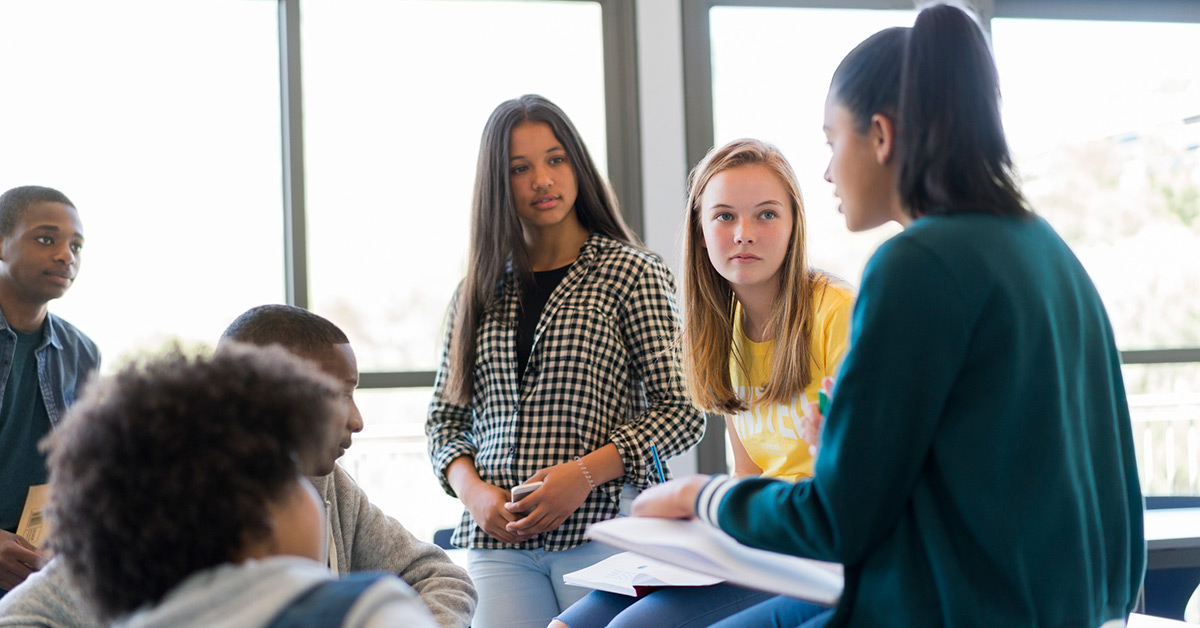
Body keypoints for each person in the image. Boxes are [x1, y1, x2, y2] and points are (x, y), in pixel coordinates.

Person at [630, 5, 1144, 628]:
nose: (825, 171)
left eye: (830, 140)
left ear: (880, 135)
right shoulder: (1044, 247)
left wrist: (703, 495)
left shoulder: (917, 264)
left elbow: (837, 522)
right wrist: (844, 452)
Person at [0, 305, 477, 628]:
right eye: (339, 394)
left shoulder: (332, 486)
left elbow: (441, 576)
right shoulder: (368, 609)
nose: (356, 419)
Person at [426, 94, 705, 628]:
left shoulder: (632, 273)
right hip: (497, 543)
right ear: (498, 183)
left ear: (577, 164)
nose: (542, 180)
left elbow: (683, 409)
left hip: (602, 529)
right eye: (520, 168)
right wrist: (475, 493)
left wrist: (581, 474)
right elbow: (445, 419)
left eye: (555, 159)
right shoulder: (477, 291)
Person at [554, 139, 853, 628]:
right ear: (700, 228)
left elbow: (854, 484)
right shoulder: (721, 329)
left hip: (810, 547)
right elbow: (749, 473)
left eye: (766, 215)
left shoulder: (836, 314)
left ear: (795, 223)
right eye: (724, 216)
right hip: (754, 539)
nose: (743, 234)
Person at [0, 186, 99, 598]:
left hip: (34, 572)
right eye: (46, 239)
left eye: (76, 245)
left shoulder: (82, 351)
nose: (66, 255)